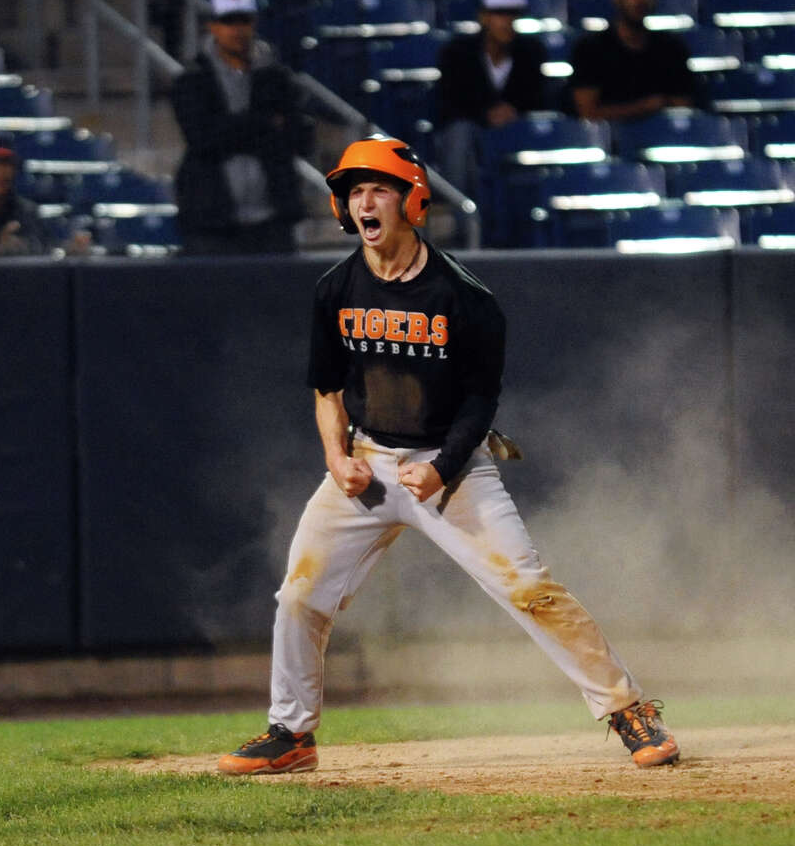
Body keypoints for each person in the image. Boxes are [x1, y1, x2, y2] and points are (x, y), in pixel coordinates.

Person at [217, 136, 679, 777]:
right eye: (354, 192)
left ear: (413, 202)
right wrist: (335, 456)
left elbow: (480, 401)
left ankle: (628, 709)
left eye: (378, 188)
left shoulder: (465, 297)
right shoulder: (335, 288)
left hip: (452, 464)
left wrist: (441, 468)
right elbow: (326, 389)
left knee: (531, 590)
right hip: (369, 462)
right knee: (298, 596)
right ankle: (291, 734)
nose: (364, 202)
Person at [171, 0, 312, 256]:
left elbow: (298, 138)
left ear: (254, 23)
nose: (237, 29)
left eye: (243, 20)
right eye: (228, 21)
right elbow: (202, 138)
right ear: (213, 25)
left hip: (272, 220)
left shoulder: (277, 78)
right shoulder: (192, 80)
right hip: (212, 220)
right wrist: (265, 124)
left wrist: (230, 127)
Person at [435, 0, 547, 203]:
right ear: (484, 16)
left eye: (512, 13)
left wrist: (513, 111)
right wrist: (485, 114)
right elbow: (448, 102)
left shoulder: (532, 52)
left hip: (516, 128)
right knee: (460, 134)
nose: (506, 21)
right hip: (472, 128)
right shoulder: (457, 52)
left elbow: (539, 98)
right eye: (499, 13)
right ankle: (464, 216)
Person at [568, 0, 696, 122]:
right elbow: (587, 114)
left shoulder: (672, 49)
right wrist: (645, 107)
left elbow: (682, 111)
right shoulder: (590, 49)